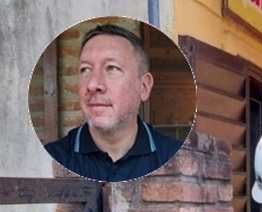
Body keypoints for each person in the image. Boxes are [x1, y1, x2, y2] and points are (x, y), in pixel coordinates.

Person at [44, 24, 183, 182]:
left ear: (144, 87)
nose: (92, 85)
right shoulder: (50, 159)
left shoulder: (176, 157)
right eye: (85, 69)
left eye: (112, 68)